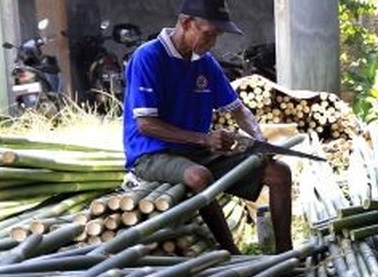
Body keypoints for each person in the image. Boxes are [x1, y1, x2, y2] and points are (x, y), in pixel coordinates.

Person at [121, 0, 291, 254]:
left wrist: (259, 140)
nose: (213, 42)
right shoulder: (149, 57)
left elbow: (238, 110)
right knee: (199, 176)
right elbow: (146, 125)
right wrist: (205, 139)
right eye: (208, 34)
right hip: (152, 153)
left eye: (217, 35)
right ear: (186, 23)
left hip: (195, 151)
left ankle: (286, 255)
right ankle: (231, 254)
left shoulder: (205, 62)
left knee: (280, 173)